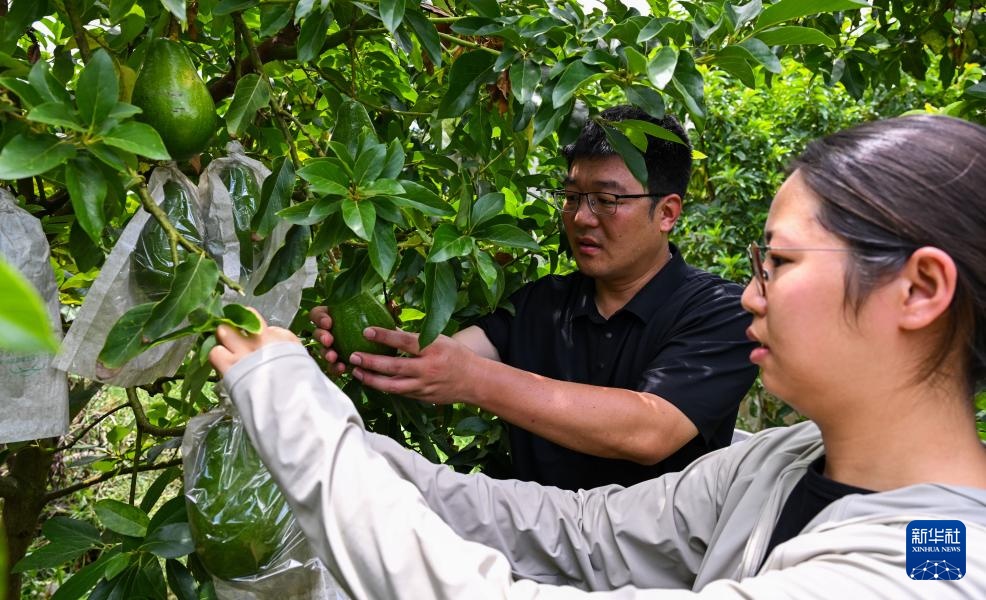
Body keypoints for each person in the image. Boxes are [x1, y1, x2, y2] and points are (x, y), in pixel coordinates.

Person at [211, 114, 986, 598]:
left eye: (779, 264)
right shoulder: (780, 464)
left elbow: (648, 430)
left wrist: (292, 413)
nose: (757, 294)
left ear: (919, 289)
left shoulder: (931, 566)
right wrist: (350, 430)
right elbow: (583, 530)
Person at [309, 105, 758, 490]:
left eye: (605, 200)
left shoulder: (721, 312)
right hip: (534, 558)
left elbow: (650, 430)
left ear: (666, 213)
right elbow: (439, 362)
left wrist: (474, 379)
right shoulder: (542, 302)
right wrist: (375, 349)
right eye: (571, 197)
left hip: (655, 576)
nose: (581, 217)